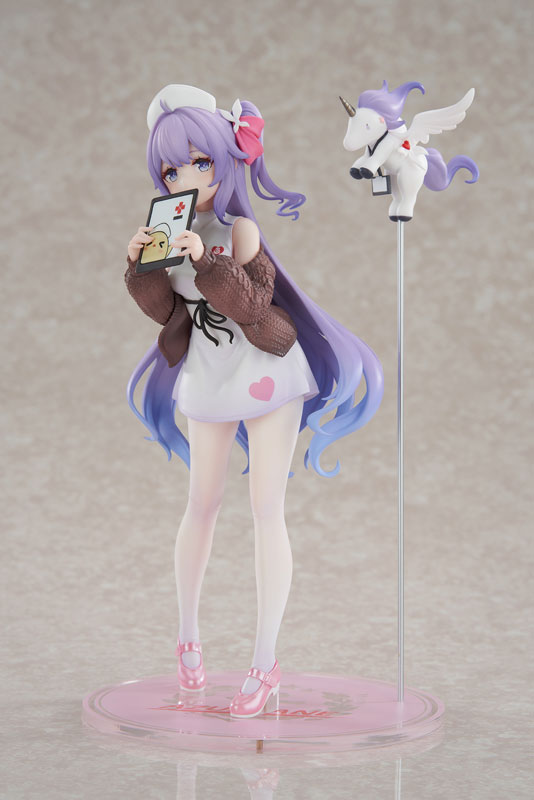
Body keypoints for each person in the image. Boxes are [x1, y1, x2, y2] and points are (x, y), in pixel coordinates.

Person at [125, 84, 384, 718]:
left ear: (224, 160)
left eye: (199, 162)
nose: (186, 178)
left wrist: (205, 260)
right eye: (172, 170)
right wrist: (142, 268)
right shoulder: (174, 231)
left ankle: (265, 661)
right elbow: (163, 311)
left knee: (267, 508)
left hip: (267, 372)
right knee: (201, 503)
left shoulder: (240, 229)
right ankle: (187, 637)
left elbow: (250, 305)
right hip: (209, 377)